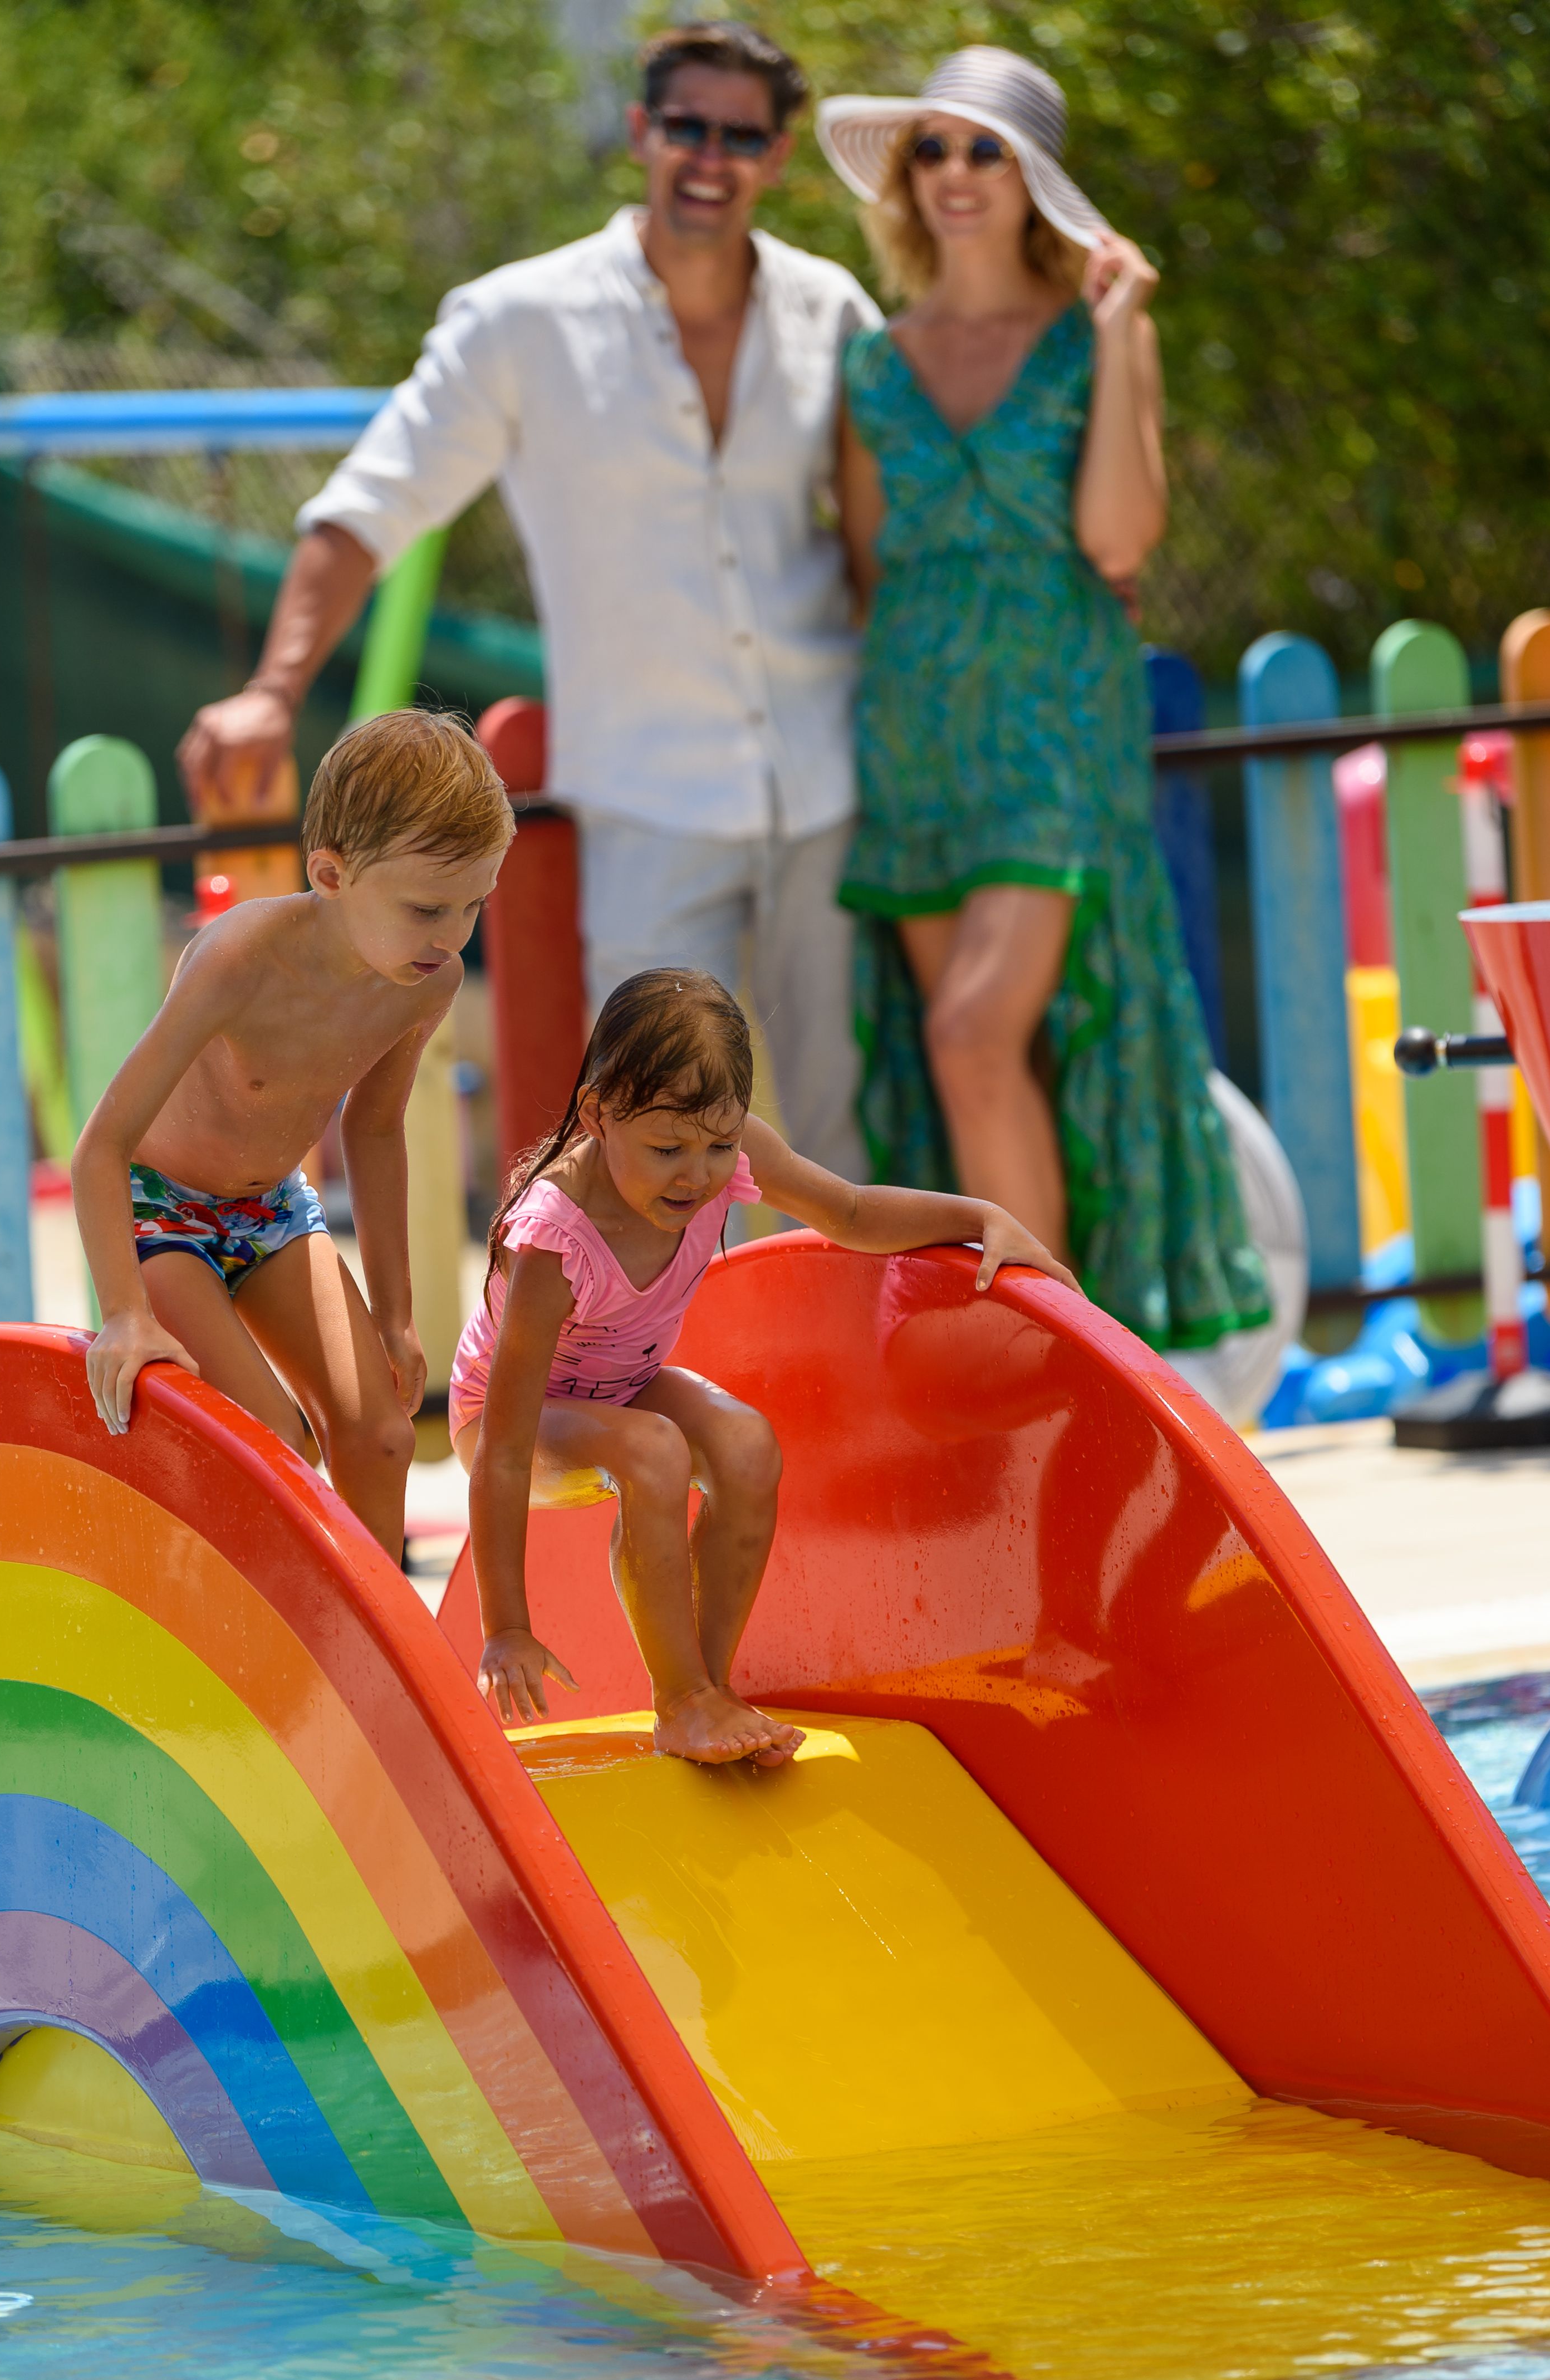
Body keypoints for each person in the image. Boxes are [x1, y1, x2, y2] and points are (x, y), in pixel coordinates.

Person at [178, 22, 879, 1181]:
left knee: (838, 1129)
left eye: (741, 135)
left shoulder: (832, 310)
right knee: (655, 1137)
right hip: (649, 797)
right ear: (642, 132)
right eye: (688, 126)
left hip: (829, 785)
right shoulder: (522, 321)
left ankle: (835, 1370)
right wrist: (272, 690)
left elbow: (885, 542)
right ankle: (667, 1368)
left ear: (779, 153)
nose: (711, 156)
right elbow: (368, 507)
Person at [817, 48, 1269, 1349]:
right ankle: (1017, 1369)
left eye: (987, 150)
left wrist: (1125, 327)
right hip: (913, 740)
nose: (955, 175)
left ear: (1038, 182)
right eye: (934, 150)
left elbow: (1119, 542)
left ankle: (1063, 1357)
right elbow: (866, 566)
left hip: (1054, 738)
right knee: (969, 1063)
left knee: (972, 1035)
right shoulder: (873, 366)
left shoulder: (1090, 340)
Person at [452, 970, 1075, 1766]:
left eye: (718, 1145)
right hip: (513, 1420)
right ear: (596, 1113)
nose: (697, 1175)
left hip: (622, 1387)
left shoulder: (728, 1152)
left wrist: (978, 1215)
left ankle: (709, 1685)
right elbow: (503, 1447)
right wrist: (505, 1625)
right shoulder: (554, 1238)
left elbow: (846, 1212)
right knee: (652, 1450)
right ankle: (677, 1700)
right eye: (667, 1149)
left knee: (746, 1444)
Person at [72, 709, 514, 1554]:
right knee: (278, 1443)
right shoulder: (239, 959)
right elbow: (101, 1145)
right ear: (331, 871)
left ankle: (373, 1670)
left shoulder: (424, 979)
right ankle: (282, 1649)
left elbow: (378, 1129)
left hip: (273, 1212)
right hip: (157, 1214)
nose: (452, 936)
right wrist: (124, 1311)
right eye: (428, 907)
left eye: (473, 907)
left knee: (382, 1432)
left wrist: (394, 1315)